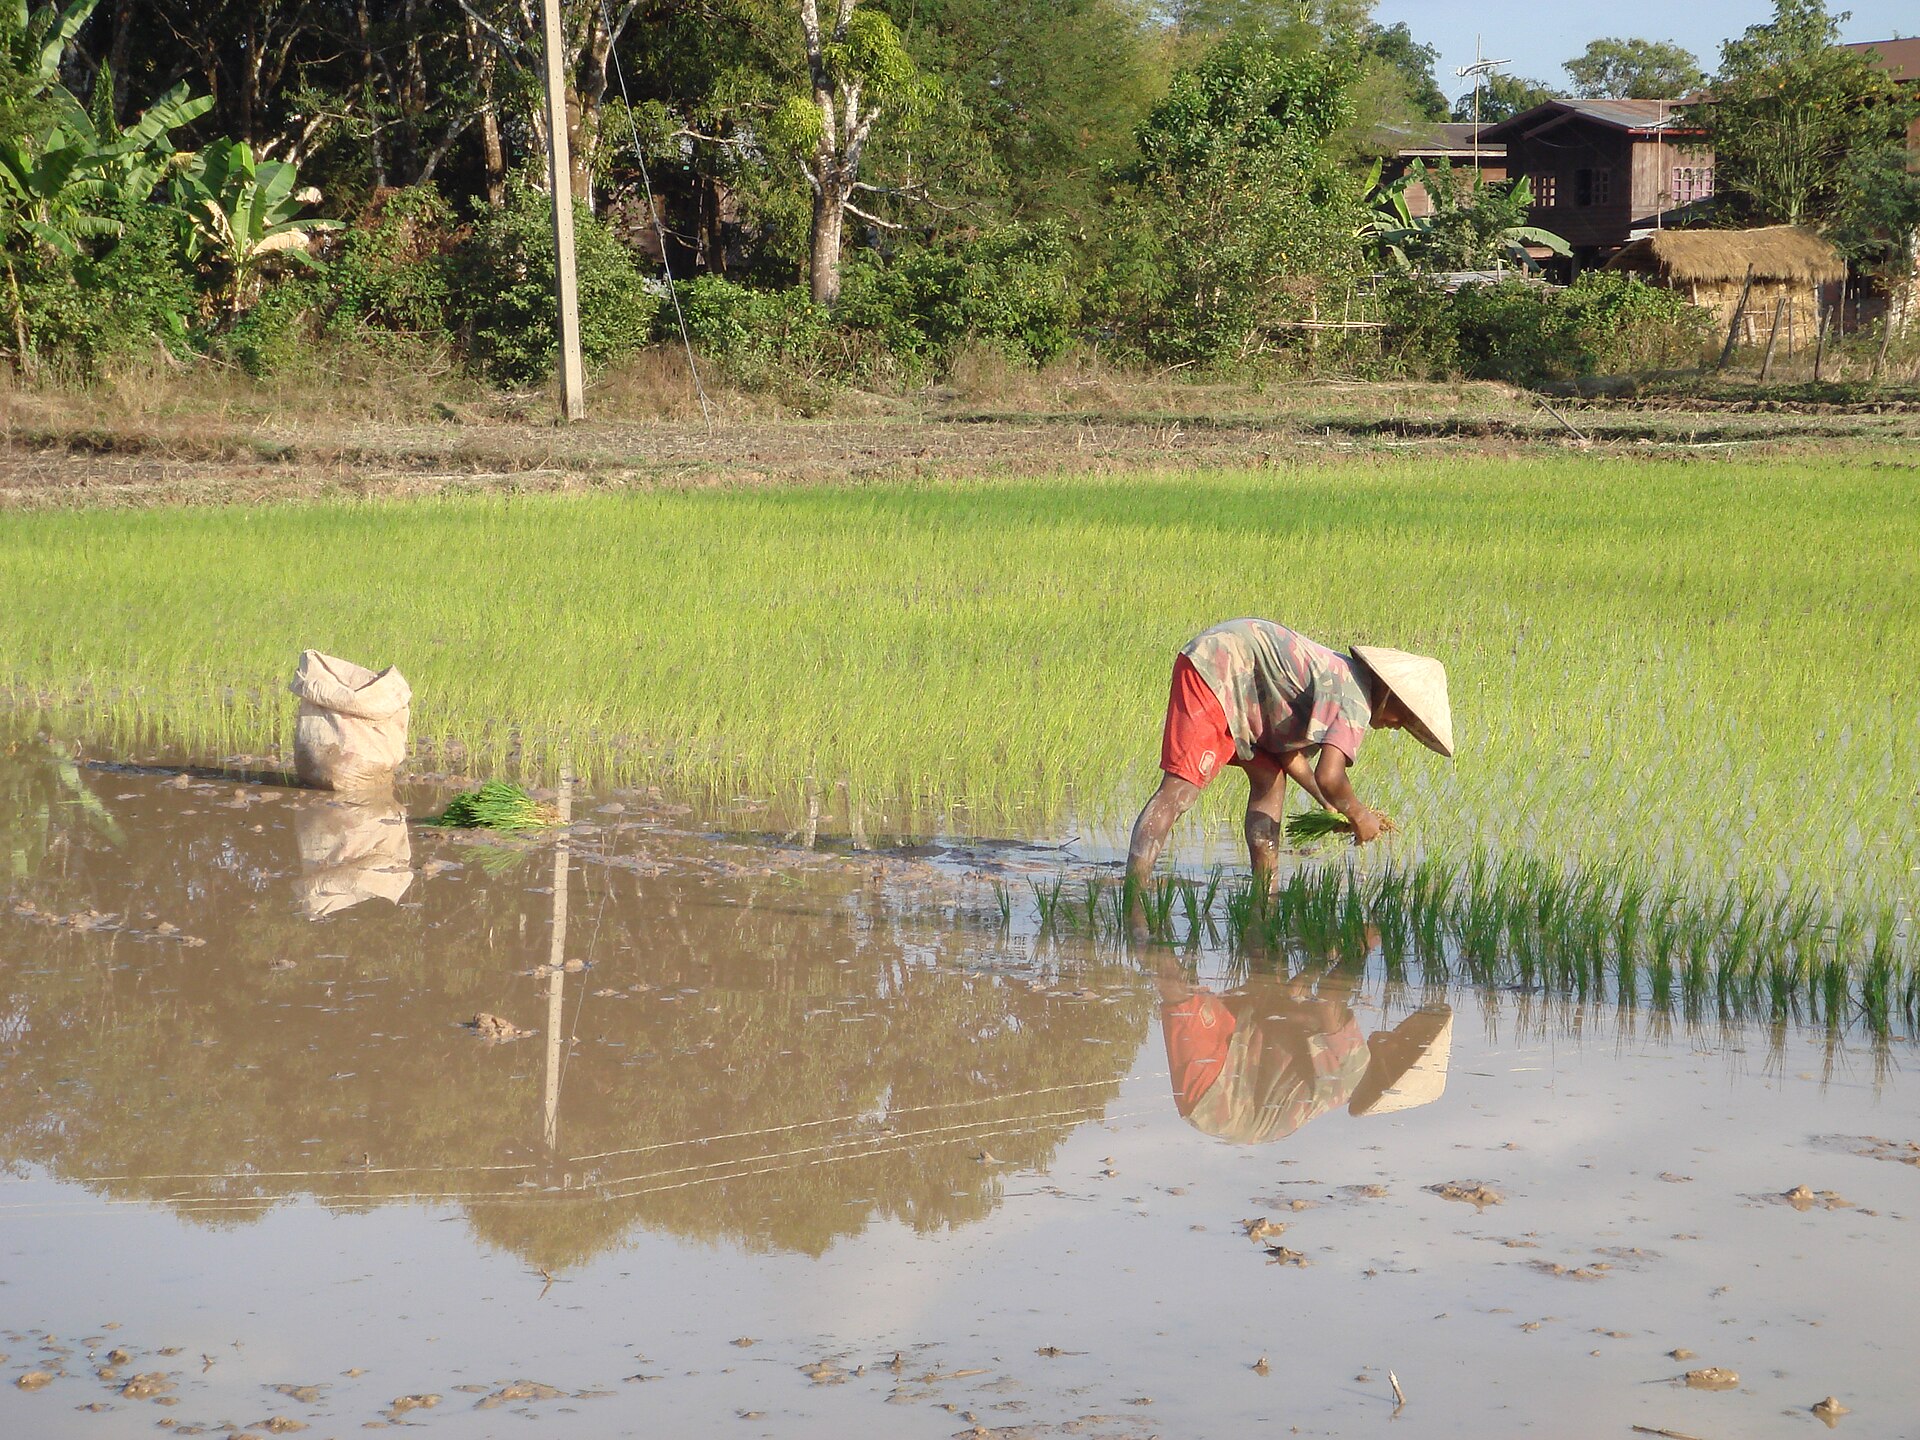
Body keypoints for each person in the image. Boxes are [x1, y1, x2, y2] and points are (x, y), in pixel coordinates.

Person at [1128, 619, 1454, 893]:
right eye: (1405, 718)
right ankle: (1135, 889)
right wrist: (1358, 814)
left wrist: (1328, 804)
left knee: (1270, 778)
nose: (1399, 727)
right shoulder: (1355, 698)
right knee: (1180, 789)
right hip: (1217, 667)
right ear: (1389, 696)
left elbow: (1288, 755)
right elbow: (1331, 775)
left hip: (1244, 687)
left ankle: (1265, 891)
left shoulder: (1345, 679)